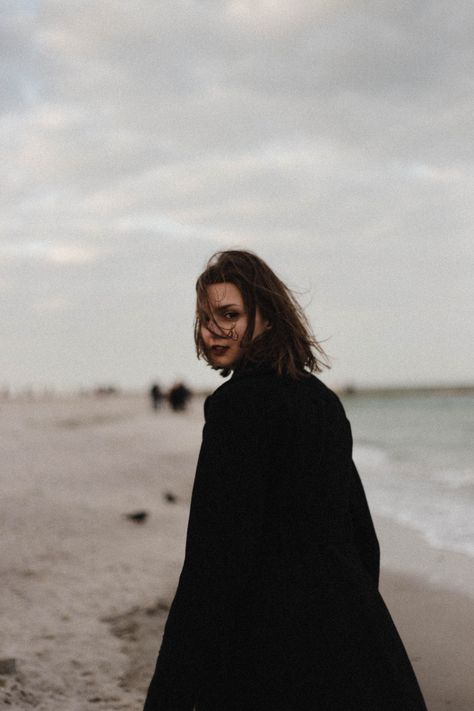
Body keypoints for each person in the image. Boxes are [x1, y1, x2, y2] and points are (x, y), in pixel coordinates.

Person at [143, 250, 427, 710]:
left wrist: (168, 696)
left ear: (268, 318)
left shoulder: (236, 407)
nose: (212, 331)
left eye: (229, 314)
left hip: (272, 648)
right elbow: (362, 536)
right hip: (356, 641)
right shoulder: (322, 401)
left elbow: (214, 563)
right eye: (204, 318)